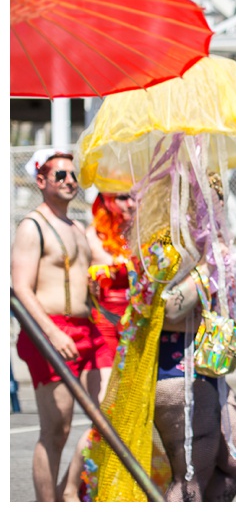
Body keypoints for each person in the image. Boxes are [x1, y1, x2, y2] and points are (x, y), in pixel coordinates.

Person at [82, 151, 236, 501]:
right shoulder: (168, 247)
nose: (215, 209)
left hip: (211, 372)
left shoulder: (212, 245)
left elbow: (219, 307)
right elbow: (168, 309)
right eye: (206, 201)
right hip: (176, 372)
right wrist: (206, 268)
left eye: (218, 200)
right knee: (189, 482)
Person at [11, 149, 114, 501]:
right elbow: (20, 287)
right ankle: (48, 503)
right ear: (41, 181)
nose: (70, 181)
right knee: (57, 428)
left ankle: (68, 489)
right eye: (60, 175)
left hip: (90, 329)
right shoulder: (32, 226)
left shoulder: (76, 227)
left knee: (107, 418)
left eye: (73, 175)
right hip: (51, 331)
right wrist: (52, 333)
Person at [86, 192, 137, 355]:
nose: (130, 204)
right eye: (122, 198)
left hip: (137, 324)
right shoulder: (92, 237)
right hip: (104, 324)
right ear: (107, 201)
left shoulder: (142, 236)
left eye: (134, 197)